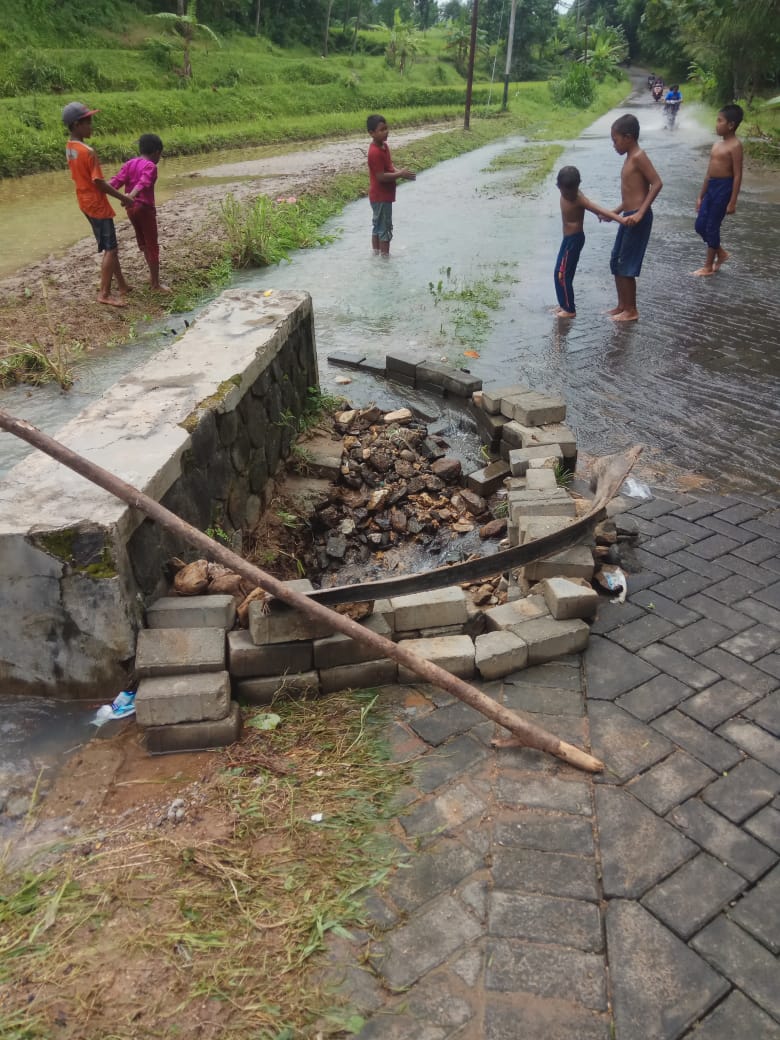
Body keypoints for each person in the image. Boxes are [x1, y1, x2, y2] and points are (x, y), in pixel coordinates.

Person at [62, 101, 132, 308]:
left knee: (111, 247)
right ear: (76, 125)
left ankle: (122, 285)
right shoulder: (88, 151)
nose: (91, 126)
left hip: (84, 201)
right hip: (97, 204)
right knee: (111, 249)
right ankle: (104, 293)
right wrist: (123, 197)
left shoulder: (70, 148)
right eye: (88, 122)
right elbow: (99, 183)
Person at [607, 114, 663, 322]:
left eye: (616, 140)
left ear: (628, 137)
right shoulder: (629, 158)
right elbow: (632, 193)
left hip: (638, 218)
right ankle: (622, 305)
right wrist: (616, 211)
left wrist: (640, 213)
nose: (614, 145)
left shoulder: (639, 156)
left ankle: (631, 310)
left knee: (626, 263)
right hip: (628, 216)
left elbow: (657, 183)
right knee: (616, 259)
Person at [553, 166, 624, 318]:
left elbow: (598, 208)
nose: (570, 195)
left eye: (573, 191)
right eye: (566, 192)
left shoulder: (579, 198)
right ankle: (564, 304)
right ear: (558, 186)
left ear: (578, 186)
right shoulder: (564, 191)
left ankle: (569, 309)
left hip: (574, 240)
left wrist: (620, 219)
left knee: (562, 274)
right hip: (567, 240)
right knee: (563, 273)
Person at [110, 133, 170, 293]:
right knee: (152, 244)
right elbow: (144, 182)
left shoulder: (129, 163)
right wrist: (132, 196)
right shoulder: (151, 166)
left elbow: (115, 182)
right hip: (144, 209)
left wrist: (100, 189)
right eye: (160, 154)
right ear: (157, 152)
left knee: (143, 243)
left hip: (131, 210)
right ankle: (156, 284)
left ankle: (152, 276)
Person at [693, 104, 744, 277]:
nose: (716, 124)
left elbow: (737, 175)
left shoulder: (735, 146)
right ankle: (721, 253)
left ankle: (708, 266)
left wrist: (733, 201)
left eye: (720, 120)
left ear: (731, 125)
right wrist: (700, 196)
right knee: (700, 225)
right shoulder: (716, 145)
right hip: (711, 188)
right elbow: (708, 173)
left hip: (724, 188)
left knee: (712, 226)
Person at [366, 113, 416, 256]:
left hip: (382, 196)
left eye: (386, 128)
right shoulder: (374, 152)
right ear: (371, 133)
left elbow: (389, 168)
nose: (386, 132)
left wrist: (400, 173)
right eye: (381, 130)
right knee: (384, 229)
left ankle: (376, 255)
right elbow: (381, 177)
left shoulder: (384, 147)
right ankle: (385, 261)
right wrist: (400, 174)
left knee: (378, 227)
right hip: (380, 197)